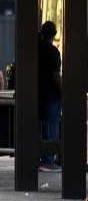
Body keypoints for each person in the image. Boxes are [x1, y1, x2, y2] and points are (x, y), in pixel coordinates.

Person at [38, 21, 62, 172]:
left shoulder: (35, 48)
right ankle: (47, 161)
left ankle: (37, 157)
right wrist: (64, 92)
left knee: (39, 126)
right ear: (54, 34)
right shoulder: (53, 51)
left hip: (35, 94)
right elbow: (55, 75)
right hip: (51, 95)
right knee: (51, 126)